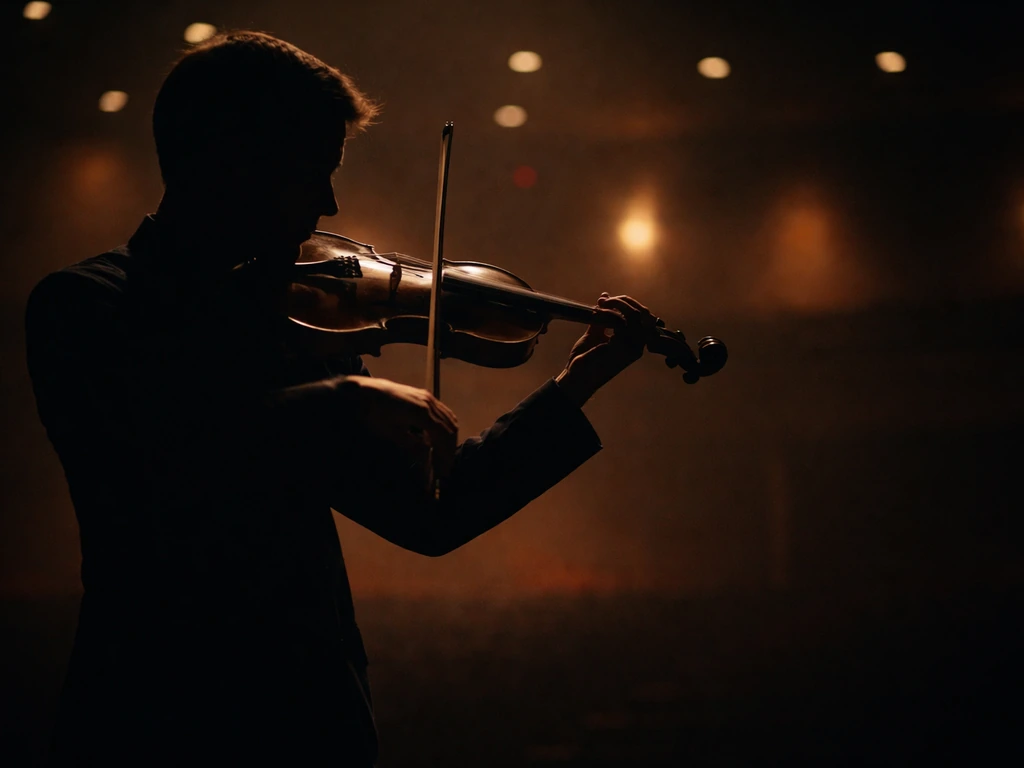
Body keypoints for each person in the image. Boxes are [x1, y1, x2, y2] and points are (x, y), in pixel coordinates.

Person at [25, 31, 658, 766]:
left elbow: (433, 517)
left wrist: (574, 385)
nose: (329, 203)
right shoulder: (86, 305)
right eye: (311, 171)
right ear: (228, 158)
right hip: (152, 715)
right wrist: (339, 396)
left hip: (310, 721)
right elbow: (159, 458)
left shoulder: (303, 325)